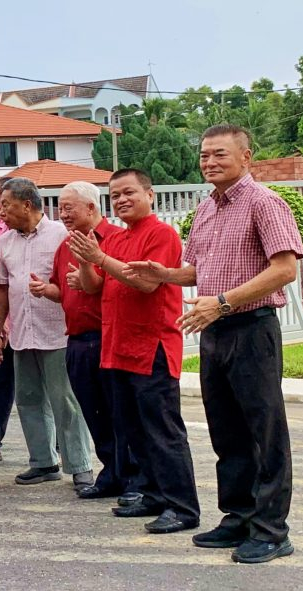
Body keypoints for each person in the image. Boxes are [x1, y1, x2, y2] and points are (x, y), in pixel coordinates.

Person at [129, 125, 303, 558]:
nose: (210, 162)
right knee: (227, 431)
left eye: (220, 154)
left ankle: (271, 530)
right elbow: (200, 270)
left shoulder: (265, 203)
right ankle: (238, 517)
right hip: (215, 331)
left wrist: (222, 303)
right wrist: (164, 274)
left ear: (247, 157)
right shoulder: (207, 208)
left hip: (251, 328)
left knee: (265, 433)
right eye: (205, 155)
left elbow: (284, 270)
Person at [69, 168, 200, 534]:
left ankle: (183, 506)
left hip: (151, 345)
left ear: (150, 195)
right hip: (117, 346)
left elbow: (145, 283)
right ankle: (152, 493)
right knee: (133, 429)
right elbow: (94, 286)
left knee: (162, 429)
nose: (122, 200)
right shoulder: (116, 239)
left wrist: (100, 257)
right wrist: (85, 257)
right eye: (115, 196)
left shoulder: (162, 234)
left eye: (129, 193)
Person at [31, 181, 140, 502]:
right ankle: (110, 472)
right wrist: (45, 290)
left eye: (68, 207)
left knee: (119, 412)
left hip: (109, 337)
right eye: (60, 207)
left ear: (91, 208)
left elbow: (117, 284)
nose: (61, 214)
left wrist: (89, 273)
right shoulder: (66, 244)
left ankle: (133, 477)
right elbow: (62, 290)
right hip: (77, 339)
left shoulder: (117, 239)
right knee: (93, 412)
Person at [0, 178, 94, 488]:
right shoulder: (5, 242)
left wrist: (50, 290)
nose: (0, 210)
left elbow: (77, 285)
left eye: (5, 204)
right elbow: (2, 289)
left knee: (65, 401)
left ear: (27, 205)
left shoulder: (63, 236)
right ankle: (43, 462)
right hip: (22, 333)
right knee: (29, 399)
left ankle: (80, 465)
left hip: (57, 333)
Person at [0, 176, 53, 463]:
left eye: (2, 202)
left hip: (48, 326)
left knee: (54, 393)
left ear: (25, 204)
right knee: (4, 385)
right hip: (11, 324)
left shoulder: (55, 234)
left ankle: (58, 451)